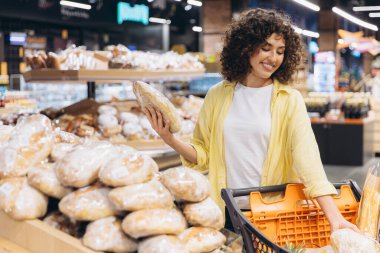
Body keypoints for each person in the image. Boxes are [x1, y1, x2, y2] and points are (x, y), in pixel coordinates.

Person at [143, 8, 359, 233]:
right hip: (226, 211)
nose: (273, 58)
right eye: (265, 48)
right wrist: (170, 139)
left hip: (273, 215)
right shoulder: (217, 95)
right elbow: (203, 155)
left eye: (280, 51)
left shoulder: (289, 100)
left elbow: (309, 161)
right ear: (245, 47)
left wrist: (335, 219)